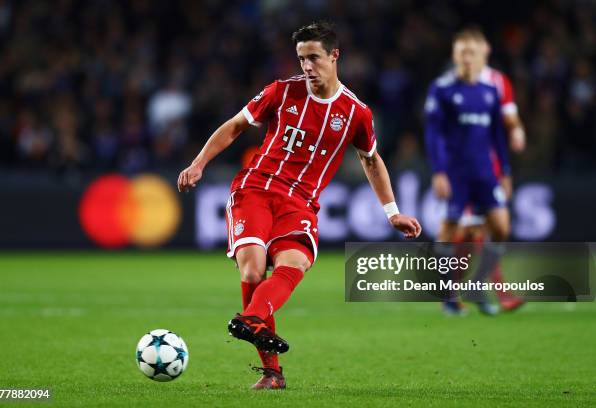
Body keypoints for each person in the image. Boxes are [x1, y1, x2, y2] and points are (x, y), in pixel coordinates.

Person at [177, 22, 421, 390]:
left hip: (300, 203)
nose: (307, 66)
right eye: (301, 58)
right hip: (256, 189)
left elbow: (371, 160)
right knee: (253, 270)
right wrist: (199, 163)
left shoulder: (356, 113)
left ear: (334, 56)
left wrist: (392, 212)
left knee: (295, 263)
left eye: (314, 58)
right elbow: (235, 126)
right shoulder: (281, 91)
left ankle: (254, 324)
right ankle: (271, 367)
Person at [424, 28, 510, 315]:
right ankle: (447, 294)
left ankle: (477, 284)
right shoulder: (443, 89)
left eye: (472, 52)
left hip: (485, 172)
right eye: (462, 52)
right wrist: (438, 172)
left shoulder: (489, 91)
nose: (468, 58)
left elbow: (497, 135)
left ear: (481, 55)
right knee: (450, 229)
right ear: (455, 55)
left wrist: (506, 172)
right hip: (455, 173)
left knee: (501, 227)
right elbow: (433, 133)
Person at [452, 31, 527, 314]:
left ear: (487, 50)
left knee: (490, 230)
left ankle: (463, 287)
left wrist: (516, 132)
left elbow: (507, 121)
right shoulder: (452, 85)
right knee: (474, 231)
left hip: (491, 168)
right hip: (463, 170)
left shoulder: (498, 82)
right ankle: (491, 290)